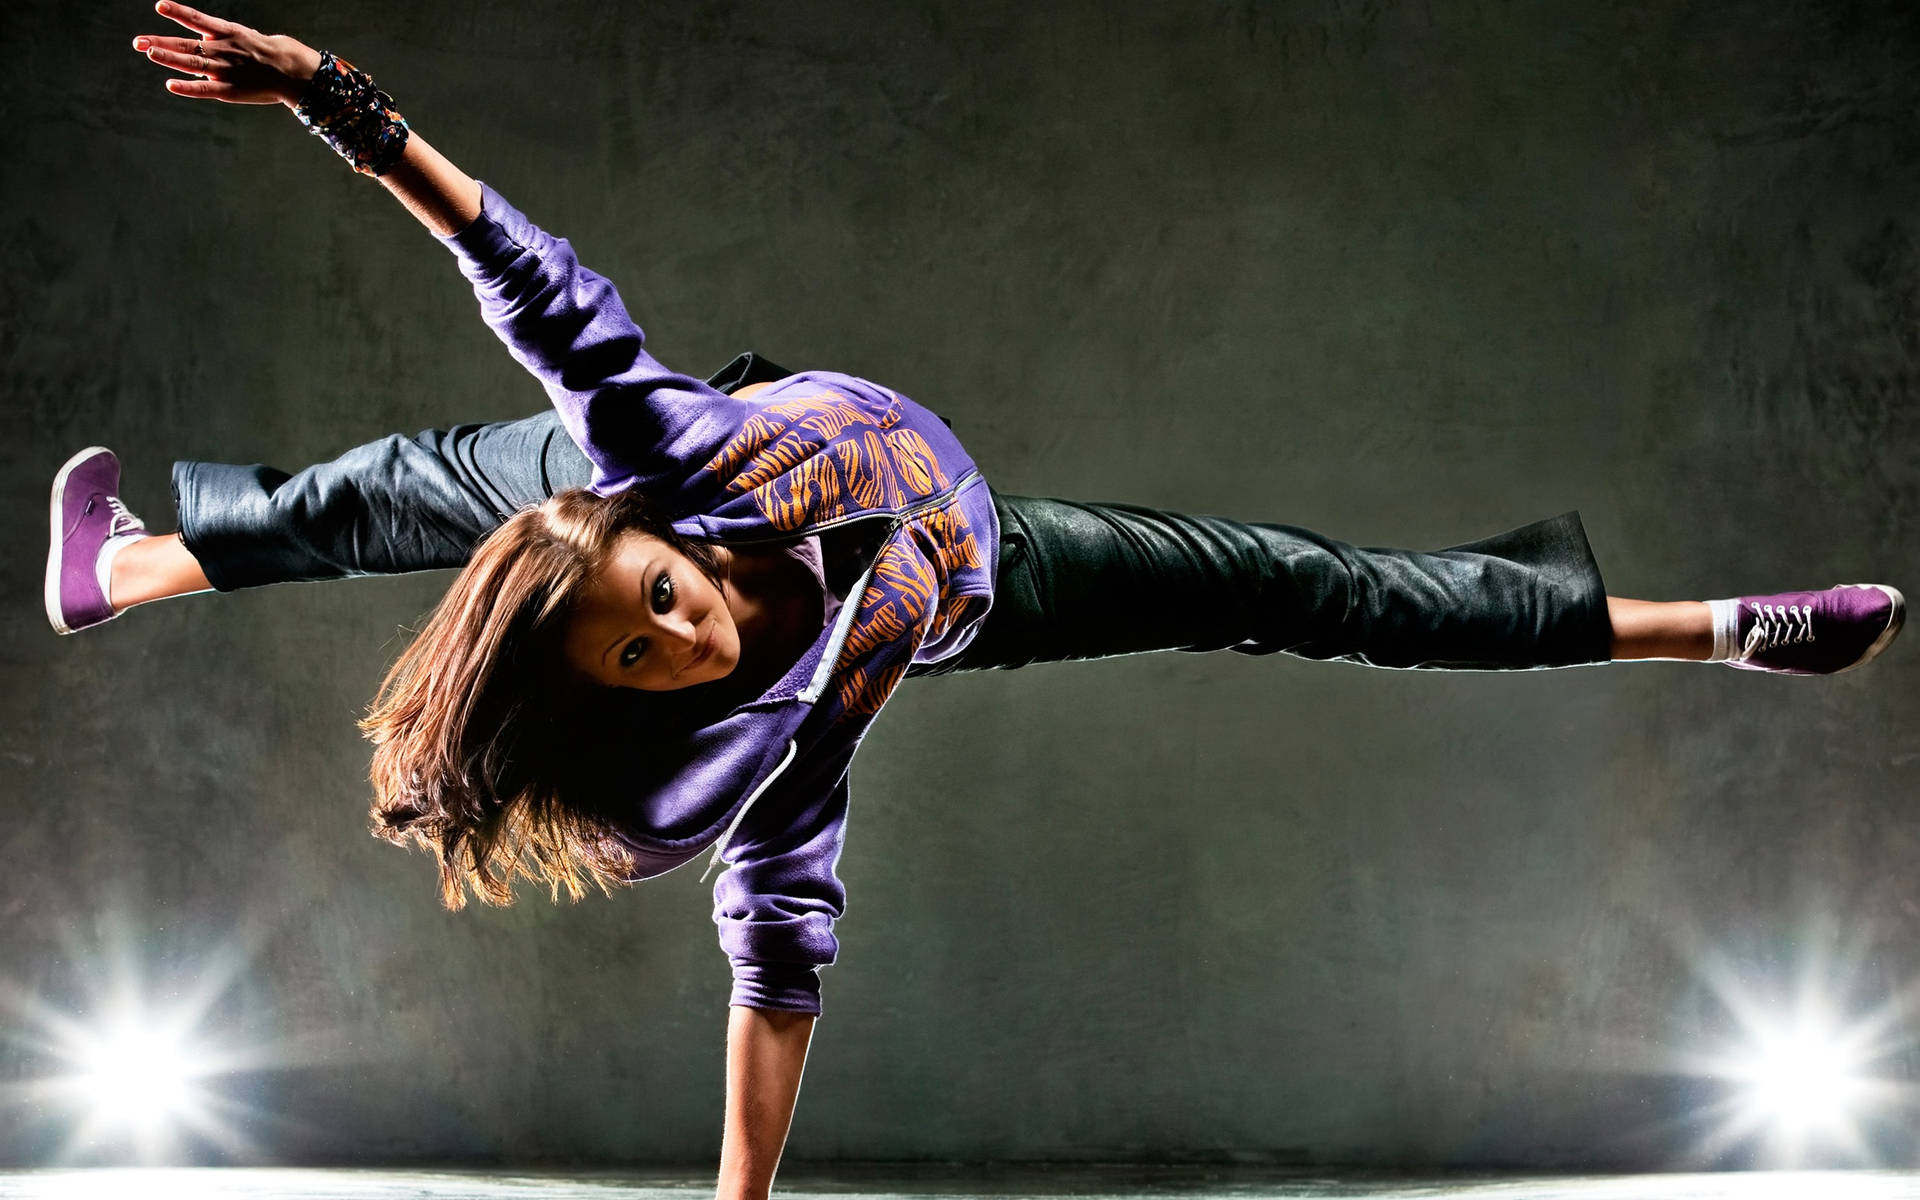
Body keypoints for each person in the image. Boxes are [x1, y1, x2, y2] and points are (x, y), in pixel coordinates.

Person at [44, 4, 1905, 1196]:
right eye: (648, 651)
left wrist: (345, 108)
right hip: (973, 572)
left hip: (653, 465)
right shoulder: (783, 740)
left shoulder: (662, 473)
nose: (682, 627)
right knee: (413, 503)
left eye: (662, 599)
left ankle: (1723, 627)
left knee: (445, 485)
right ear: (641, 692)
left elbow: (531, 284)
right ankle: (128, 566)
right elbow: (776, 958)